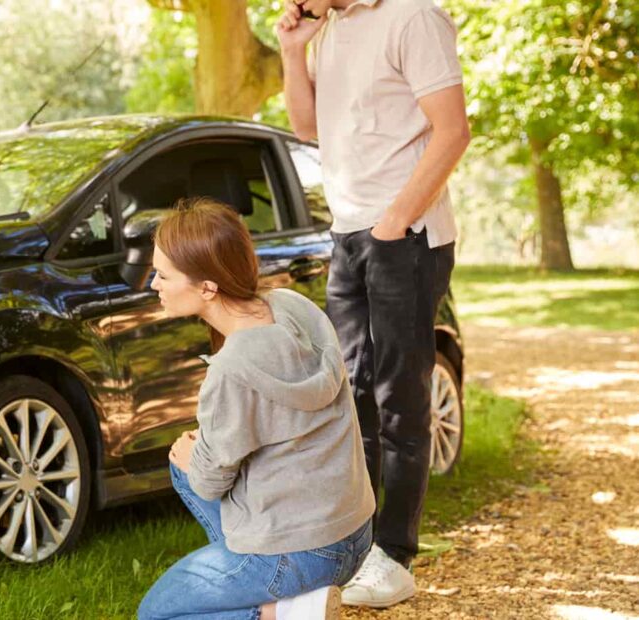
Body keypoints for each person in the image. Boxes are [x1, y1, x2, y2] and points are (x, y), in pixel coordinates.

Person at [275, 0, 471, 609]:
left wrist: (394, 222)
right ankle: (357, 549)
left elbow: (453, 130)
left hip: (405, 236)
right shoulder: (331, 28)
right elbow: (308, 128)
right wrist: (292, 49)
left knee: (397, 395)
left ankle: (396, 557)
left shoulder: (414, 18)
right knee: (351, 393)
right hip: (349, 234)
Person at [137, 198, 375, 620]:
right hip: (354, 532)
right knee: (184, 463)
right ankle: (258, 584)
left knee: (155, 614)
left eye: (163, 275)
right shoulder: (292, 306)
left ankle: (282, 613)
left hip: (305, 554)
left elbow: (209, 484)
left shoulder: (230, 371)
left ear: (208, 287)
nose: (153, 283)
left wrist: (197, 457)